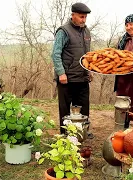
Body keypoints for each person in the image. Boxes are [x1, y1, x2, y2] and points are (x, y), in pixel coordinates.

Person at [51, 2, 93, 136]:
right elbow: (55, 53)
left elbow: (87, 55)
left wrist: (89, 71)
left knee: (83, 108)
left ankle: (82, 133)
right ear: (73, 15)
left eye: (85, 17)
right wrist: (61, 73)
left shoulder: (86, 31)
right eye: (81, 17)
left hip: (82, 77)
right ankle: (65, 134)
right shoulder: (63, 31)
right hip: (66, 78)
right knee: (65, 110)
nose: (83, 20)